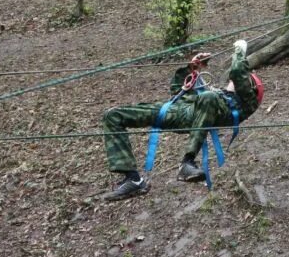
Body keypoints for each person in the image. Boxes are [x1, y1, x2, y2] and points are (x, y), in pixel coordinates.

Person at [101, 39, 264, 201]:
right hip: (173, 111)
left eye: (242, 81)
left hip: (196, 117)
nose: (232, 81)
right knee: (113, 115)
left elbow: (236, 71)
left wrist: (240, 50)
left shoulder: (246, 102)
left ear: (250, 88)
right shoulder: (215, 94)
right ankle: (133, 179)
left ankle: (187, 162)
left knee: (209, 97)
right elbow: (177, 90)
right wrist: (193, 68)